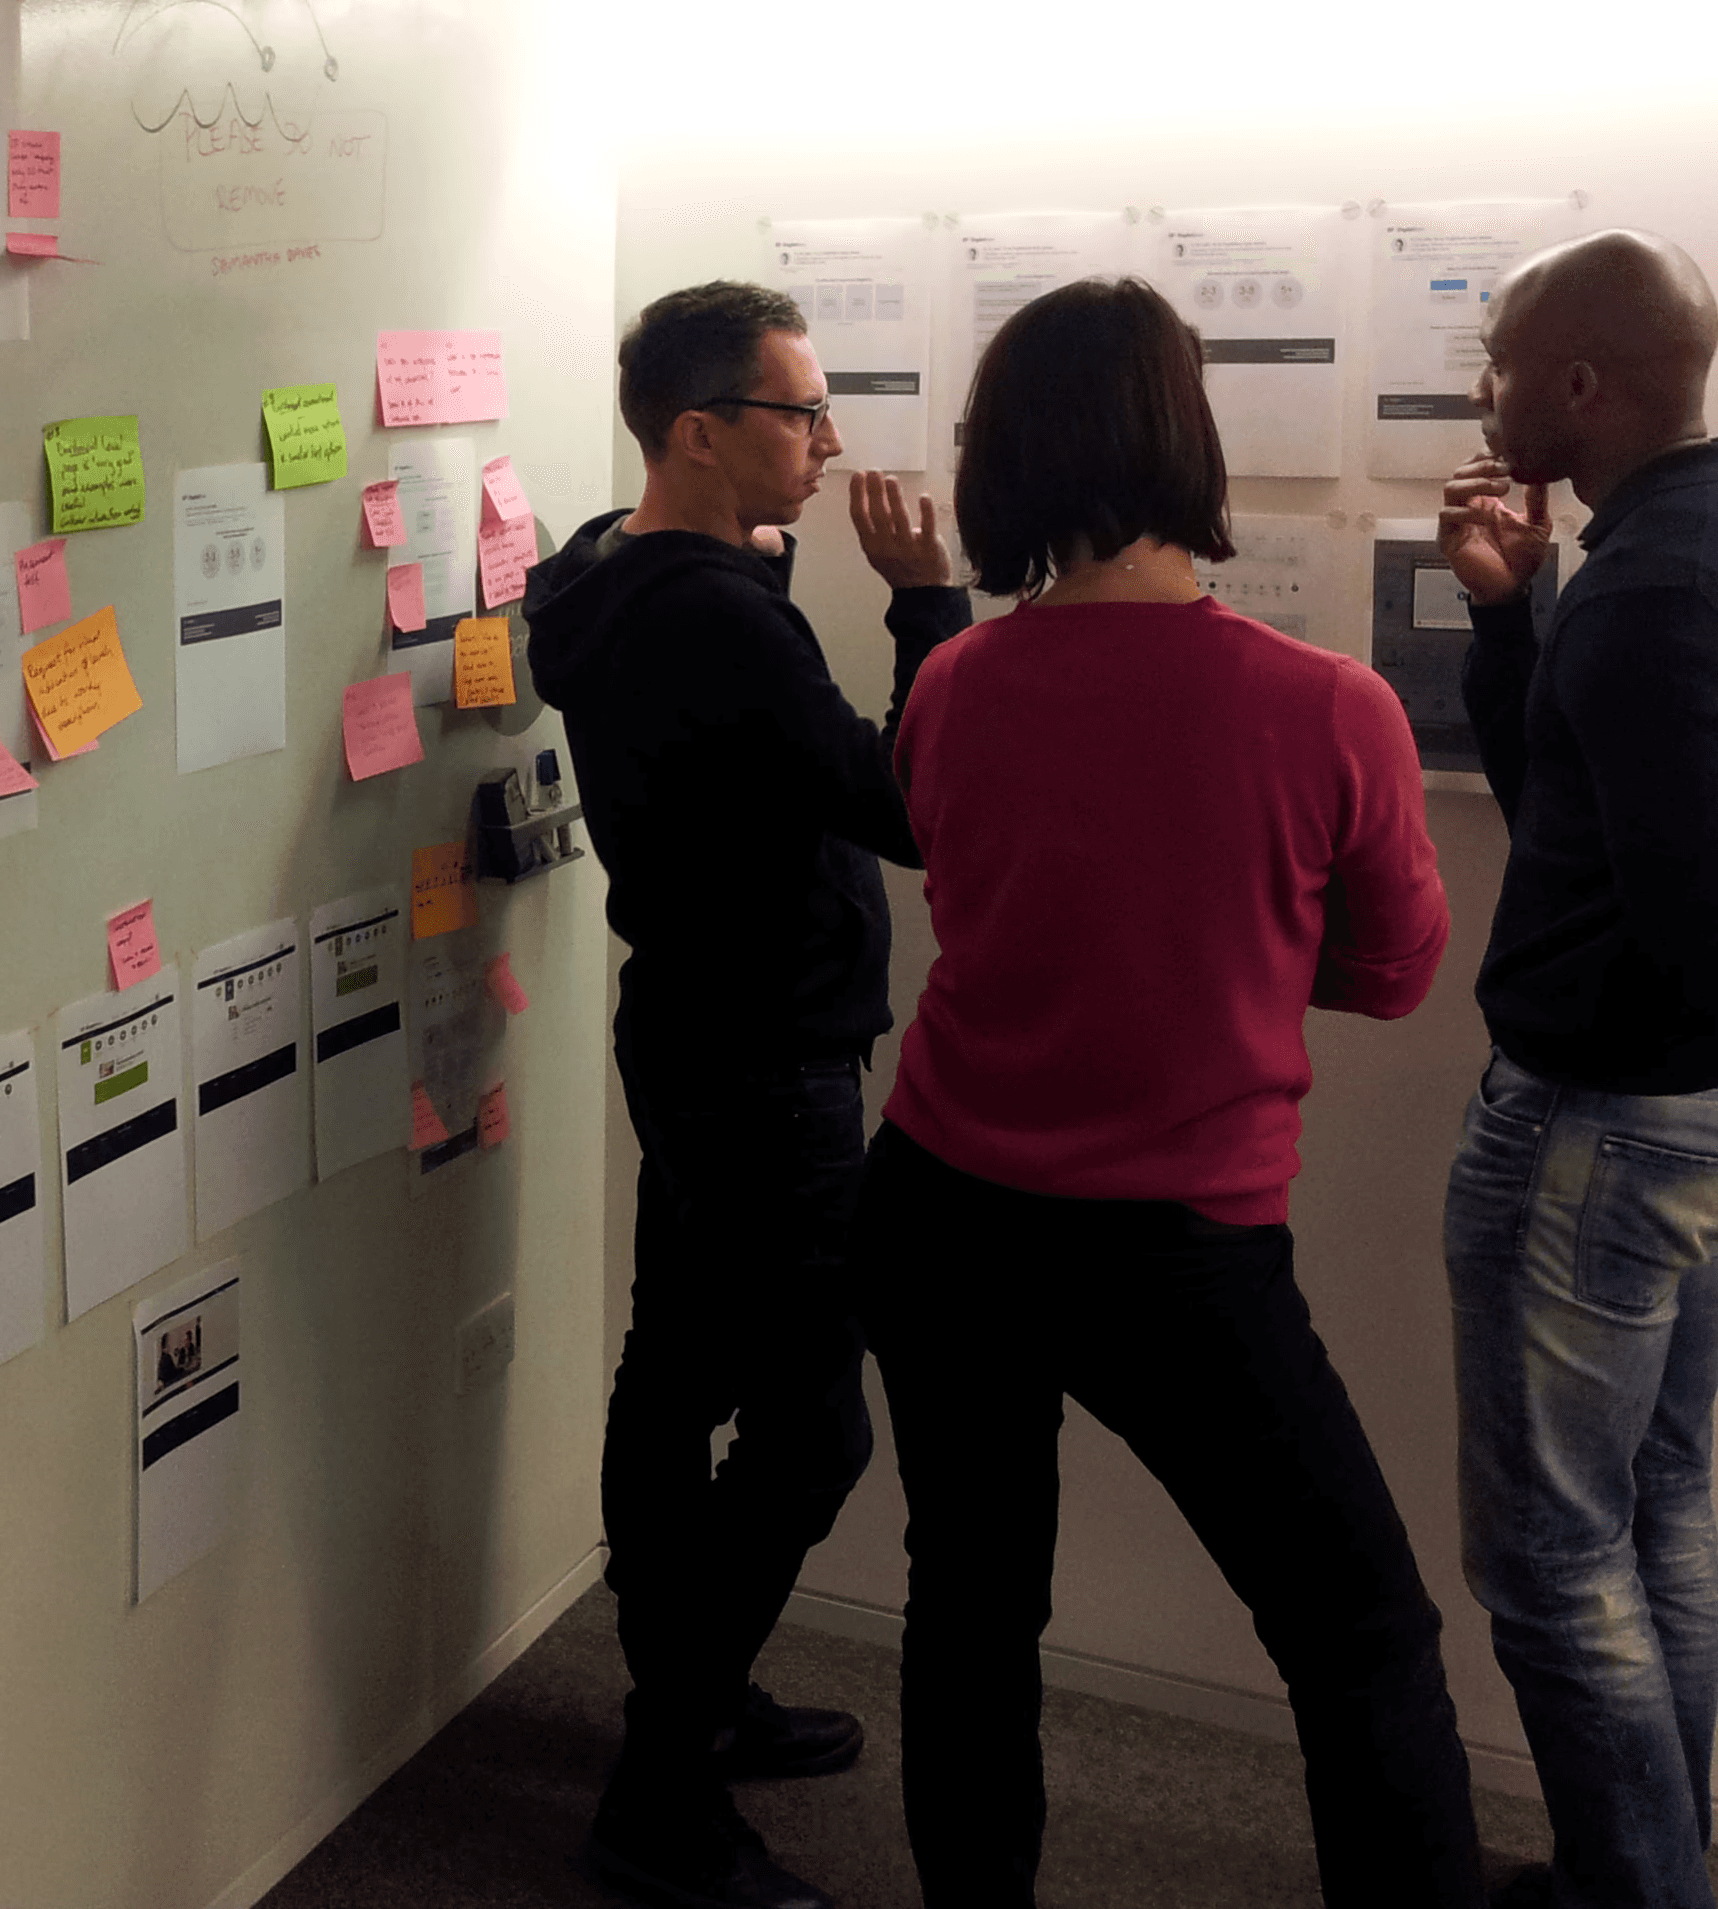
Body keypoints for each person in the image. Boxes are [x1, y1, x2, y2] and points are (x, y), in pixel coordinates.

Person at [851, 276, 1484, 1907]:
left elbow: (988, 896)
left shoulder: (952, 689)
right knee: (1362, 1638)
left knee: (972, 1606)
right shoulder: (1330, 707)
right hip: (1177, 1251)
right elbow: (1396, 971)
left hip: (940, 1210)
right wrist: (1246, 964)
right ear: (1187, 434)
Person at [527, 279, 969, 1909]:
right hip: (771, 1063)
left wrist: (751, 556)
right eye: (800, 414)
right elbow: (908, 803)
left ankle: (686, 1705)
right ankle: (661, 1789)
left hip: (691, 1031)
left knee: (673, 1378)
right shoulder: (716, 610)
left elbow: (593, 554)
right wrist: (927, 607)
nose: (828, 445)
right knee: (808, 1433)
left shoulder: (600, 578)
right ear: (700, 431)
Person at [1439, 229, 1718, 1909]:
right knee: (1655, 1509)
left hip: (1608, 1130)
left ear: (1578, 384)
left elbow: (1703, 946)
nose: (1479, 396)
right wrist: (1513, 608)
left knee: (1551, 1561)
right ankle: (1649, 1866)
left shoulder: (1660, 589)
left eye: (1497, 367)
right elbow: (1588, 821)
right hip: (1693, 1123)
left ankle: (1642, 1892)